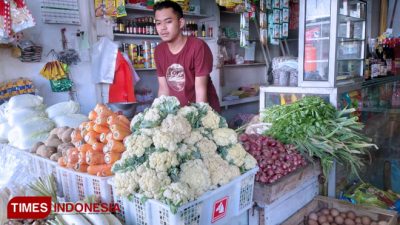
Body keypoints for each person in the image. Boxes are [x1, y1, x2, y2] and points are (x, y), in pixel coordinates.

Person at [153, 0, 221, 112]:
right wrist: (159, 114)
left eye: (168, 21)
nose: (163, 28)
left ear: (181, 23)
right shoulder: (159, 51)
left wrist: (199, 121)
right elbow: (163, 89)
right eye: (158, 23)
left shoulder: (198, 47)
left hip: (203, 113)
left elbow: (200, 90)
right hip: (178, 115)